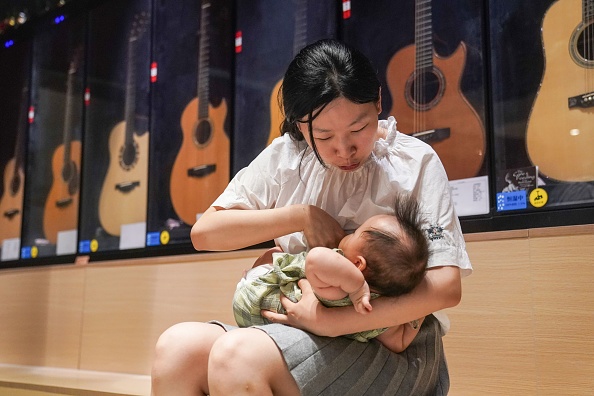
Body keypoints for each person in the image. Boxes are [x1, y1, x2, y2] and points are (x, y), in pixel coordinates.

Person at [151, 38, 472, 396]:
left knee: (237, 355)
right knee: (176, 349)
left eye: (359, 128)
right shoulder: (286, 158)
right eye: (324, 135)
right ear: (300, 126)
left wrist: (332, 322)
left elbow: (446, 287)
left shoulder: (414, 161)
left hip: (394, 345)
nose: (344, 149)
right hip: (298, 330)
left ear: (379, 102)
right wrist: (300, 216)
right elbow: (206, 233)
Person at [233, 194, 428, 353]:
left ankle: (251, 275)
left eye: (356, 232)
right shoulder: (381, 321)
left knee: (274, 253)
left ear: (357, 264)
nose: (348, 232)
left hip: (256, 300)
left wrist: (357, 286)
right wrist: (420, 310)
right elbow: (399, 343)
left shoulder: (340, 287)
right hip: (264, 321)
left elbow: (315, 258)